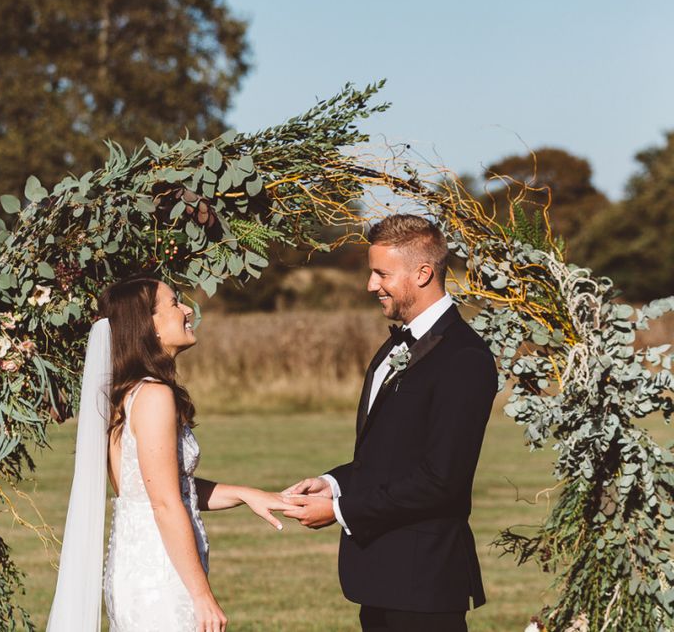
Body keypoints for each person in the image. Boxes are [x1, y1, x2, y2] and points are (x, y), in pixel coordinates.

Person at [282, 215, 498, 632]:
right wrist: (333, 483)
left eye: (381, 273)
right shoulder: (393, 346)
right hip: (380, 578)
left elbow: (442, 480)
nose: (370, 285)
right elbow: (387, 453)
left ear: (422, 273)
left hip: (424, 581)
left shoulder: (464, 358)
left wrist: (340, 510)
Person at [48, 274, 286, 632]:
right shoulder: (154, 395)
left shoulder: (127, 394)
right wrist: (202, 595)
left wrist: (243, 494)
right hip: (160, 575)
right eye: (175, 303)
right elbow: (163, 502)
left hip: (141, 566)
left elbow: (155, 488)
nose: (188, 310)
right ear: (149, 326)